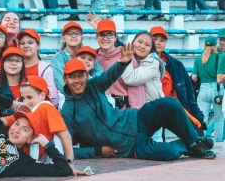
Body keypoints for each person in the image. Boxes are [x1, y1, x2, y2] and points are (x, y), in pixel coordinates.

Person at [61, 48, 216, 161]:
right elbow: (67, 150)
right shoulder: (67, 111)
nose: (77, 81)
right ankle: (188, 144)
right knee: (168, 152)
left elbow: (110, 75)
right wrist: (98, 151)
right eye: (72, 77)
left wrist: (123, 62)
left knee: (170, 103)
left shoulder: (94, 85)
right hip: (130, 146)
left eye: (80, 76)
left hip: (136, 119)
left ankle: (194, 143)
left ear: (86, 75)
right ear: (65, 79)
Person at [150, 26, 205, 135]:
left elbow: (189, 94)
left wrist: (197, 116)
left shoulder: (177, 65)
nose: (158, 43)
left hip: (174, 109)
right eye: (154, 39)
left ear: (166, 43)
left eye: (162, 40)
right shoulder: (140, 62)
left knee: (197, 134)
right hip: (152, 110)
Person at [92, 18, 145, 110]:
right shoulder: (93, 57)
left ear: (115, 37)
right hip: (99, 107)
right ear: (96, 37)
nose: (105, 38)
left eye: (109, 34)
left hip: (121, 107)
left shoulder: (125, 55)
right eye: (101, 34)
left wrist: (135, 110)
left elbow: (135, 85)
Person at [51, 22, 102, 92]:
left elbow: (99, 76)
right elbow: (62, 84)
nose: (74, 36)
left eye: (77, 33)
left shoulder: (88, 55)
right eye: (69, 33)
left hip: (90, 94)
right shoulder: (58, 58)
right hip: (69, 96)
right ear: (63, 38)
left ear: (82, 38)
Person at [17, 29, 60, 107]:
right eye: (22, 43)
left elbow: (53, 97)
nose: (26, 46)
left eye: (30, 42)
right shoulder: (16, 66)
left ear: (38, 45)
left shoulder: (46, 69)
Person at [192, 36, 223, 141]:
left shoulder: (198, 59)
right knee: (219, 118)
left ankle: (201, 141)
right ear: (215, 46)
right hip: (217, 89)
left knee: (202, 117)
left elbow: (194, 77)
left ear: (205, 45)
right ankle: (219, 141)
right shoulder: (219, 57)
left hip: (203, 89)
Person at [121, 32, 165, 103]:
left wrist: (127, 59)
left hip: (153, 104)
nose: (142, 46)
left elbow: (130, 79)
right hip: (135, 103)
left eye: (147, 45)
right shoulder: (133, 58)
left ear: (151, 49)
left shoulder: (153, 62)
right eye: (139, 42)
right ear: (133, 43)